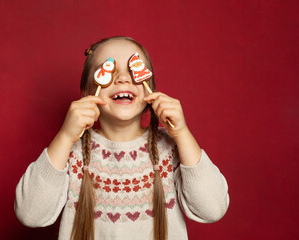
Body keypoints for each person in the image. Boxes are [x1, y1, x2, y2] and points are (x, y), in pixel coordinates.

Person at [14, 36, 230, 240]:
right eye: (108, 71)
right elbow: (30, 214)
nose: (123, 78)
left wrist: (182, 133)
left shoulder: (170, 149)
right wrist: (64, 137)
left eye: (134, 70)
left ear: (150, 89)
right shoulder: (71, 152)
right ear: (88, 91)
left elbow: (212, 209)